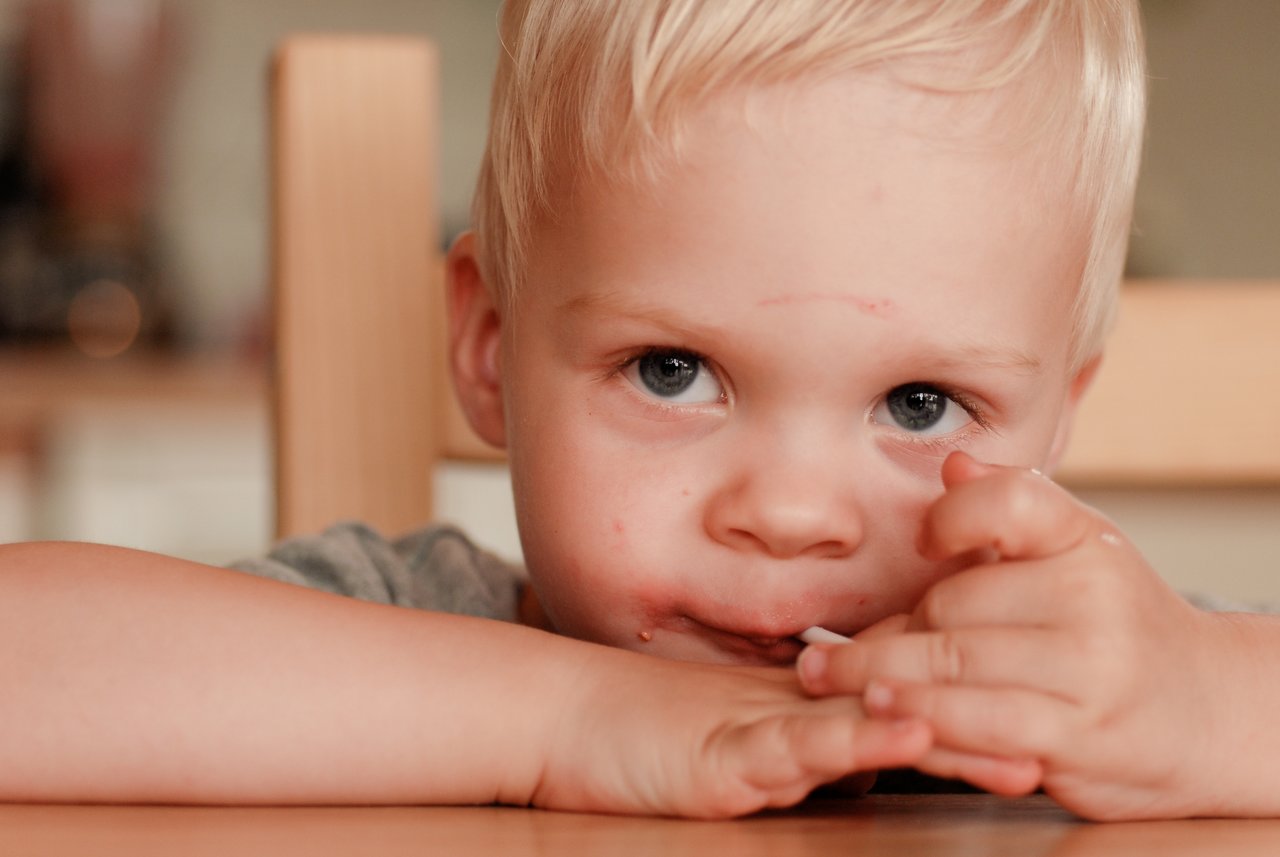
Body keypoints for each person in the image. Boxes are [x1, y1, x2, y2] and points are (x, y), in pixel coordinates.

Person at [4, 0, 1266, 820]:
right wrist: (561, 715)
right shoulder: (412, 630)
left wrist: (1199, 703)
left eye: (921, 401)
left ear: (1054, 426)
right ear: (491, 348)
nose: (786, 513)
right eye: (671, 370)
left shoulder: (1062, 687)